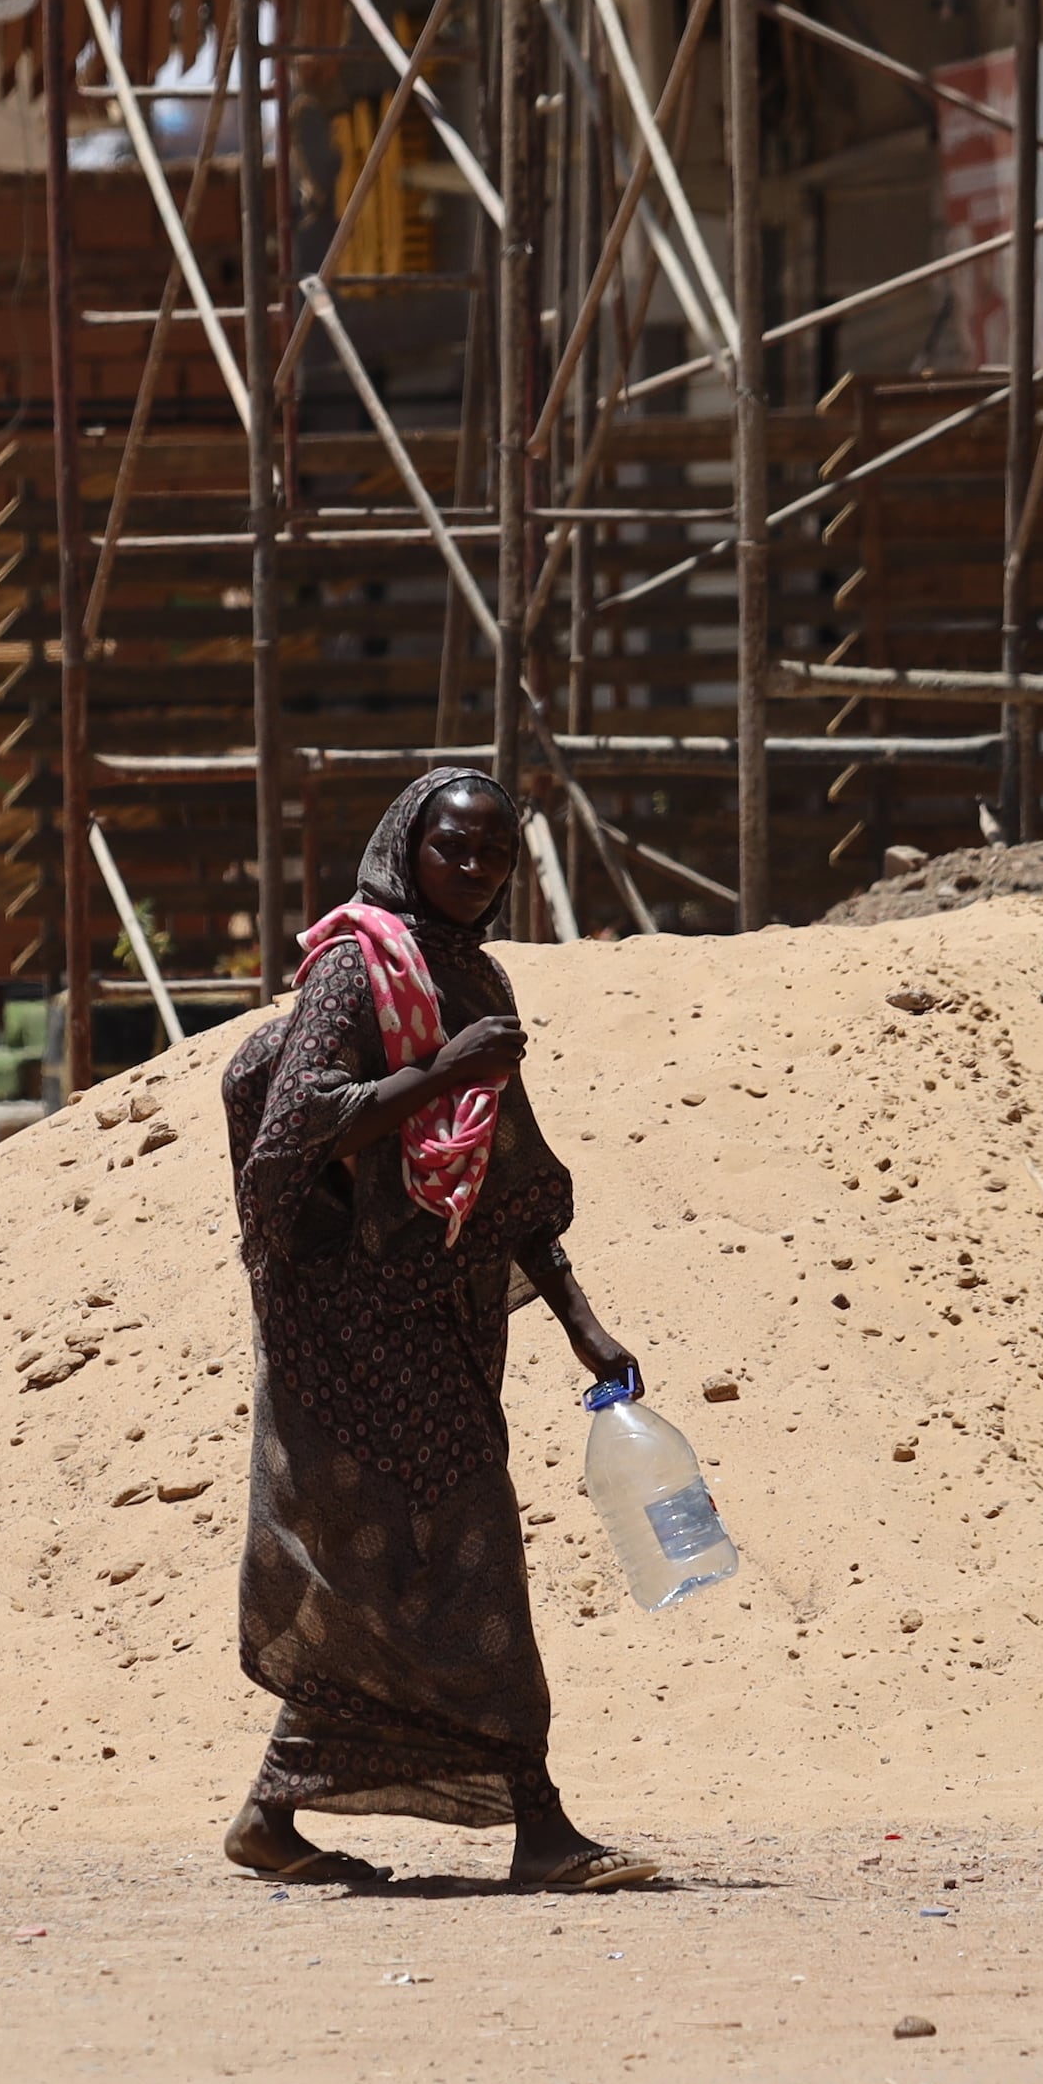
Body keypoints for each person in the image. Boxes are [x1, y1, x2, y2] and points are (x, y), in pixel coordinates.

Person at [217, 768, 661, 1892]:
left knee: (396, 1575)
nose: (471, 871)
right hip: (343, 1339)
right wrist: (439, 1072)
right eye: (452, 849)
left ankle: (273, 1813)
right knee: (464, 1558)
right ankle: (540, 1822)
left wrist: (581, 1323)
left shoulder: (474, 974)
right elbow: (290, 1137)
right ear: (405, 845)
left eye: (493, 856)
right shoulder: (352, 969)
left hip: (441, 1331)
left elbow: (504, 1183)